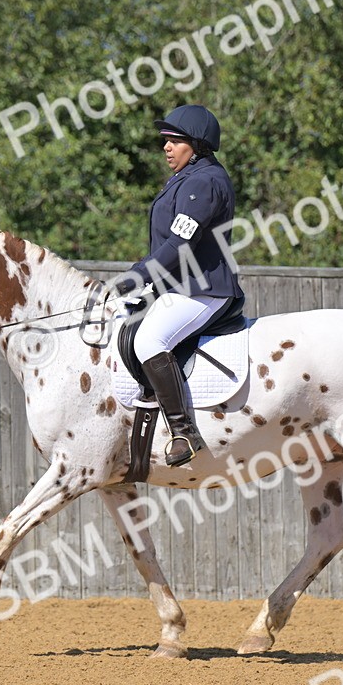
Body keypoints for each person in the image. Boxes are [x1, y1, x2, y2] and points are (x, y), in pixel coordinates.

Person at [112, 105, 245, 466]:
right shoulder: (188, 178)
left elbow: (179, 243)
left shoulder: (205, 182)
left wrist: (137, 276)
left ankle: (184, 431)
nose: (166, 148)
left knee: (149, 340)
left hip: (204, 288)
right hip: (180, 286)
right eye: (165, 141)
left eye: (175, 141)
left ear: (197, 144)